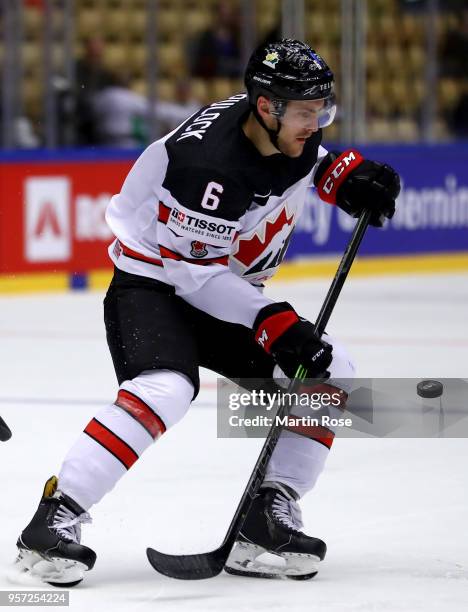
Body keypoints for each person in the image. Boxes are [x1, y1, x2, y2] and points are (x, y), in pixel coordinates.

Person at [15, 39, 400, 584]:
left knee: (327, 377)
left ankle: (267, 517)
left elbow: (305, 160)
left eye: (322, 112)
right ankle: (54, 520)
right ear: (267, 108)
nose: (317, 125)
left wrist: (345, 175)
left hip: (215, 285)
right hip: (153, 287)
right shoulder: (208, 168)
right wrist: (274, 322)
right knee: (167, 388)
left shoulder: (272, 124)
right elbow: (195, 278)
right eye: (306, 114)